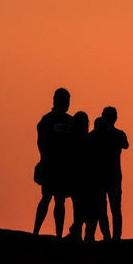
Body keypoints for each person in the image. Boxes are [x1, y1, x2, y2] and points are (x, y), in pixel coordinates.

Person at [33, 88, 73, 236]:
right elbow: (41, 143)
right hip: (52, 165)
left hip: (61, 166)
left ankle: (57, 234)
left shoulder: (69, 121)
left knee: (58, 200)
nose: (68, 103)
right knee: (49, 198)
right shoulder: (47, 120)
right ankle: (38, 231)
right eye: (66, 100)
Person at [91, 106, 129, 240]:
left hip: (101, 176)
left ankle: (107, 236)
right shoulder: (119, 134)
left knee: (103, 208)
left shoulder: (96, 135)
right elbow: (125, 145)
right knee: (115, 208)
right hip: (113, 176)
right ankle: (115, 237)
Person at [66, 111, 102, 242]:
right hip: (85, 181)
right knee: (89, 210)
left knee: (81, 210)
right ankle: (83, 235)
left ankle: (79, 234)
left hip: (82, 181)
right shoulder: (89, 140)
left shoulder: (73, 141)